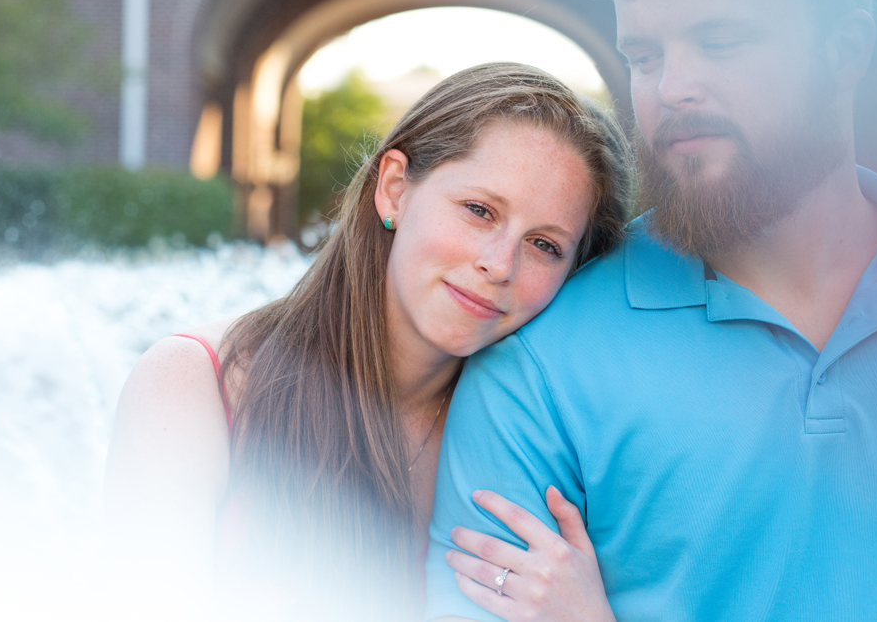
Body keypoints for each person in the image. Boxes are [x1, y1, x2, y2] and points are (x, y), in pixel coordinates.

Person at [427, 0, 877, 621]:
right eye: (644, 56)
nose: (671, 87)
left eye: (720, 42)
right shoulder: (538, 363)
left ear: (845, 49)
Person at [102, 62, 636, 620]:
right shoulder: (196, 385)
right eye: (480, 211)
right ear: (395, 190)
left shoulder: (531, 437)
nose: (499, 264)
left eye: (545, 245)